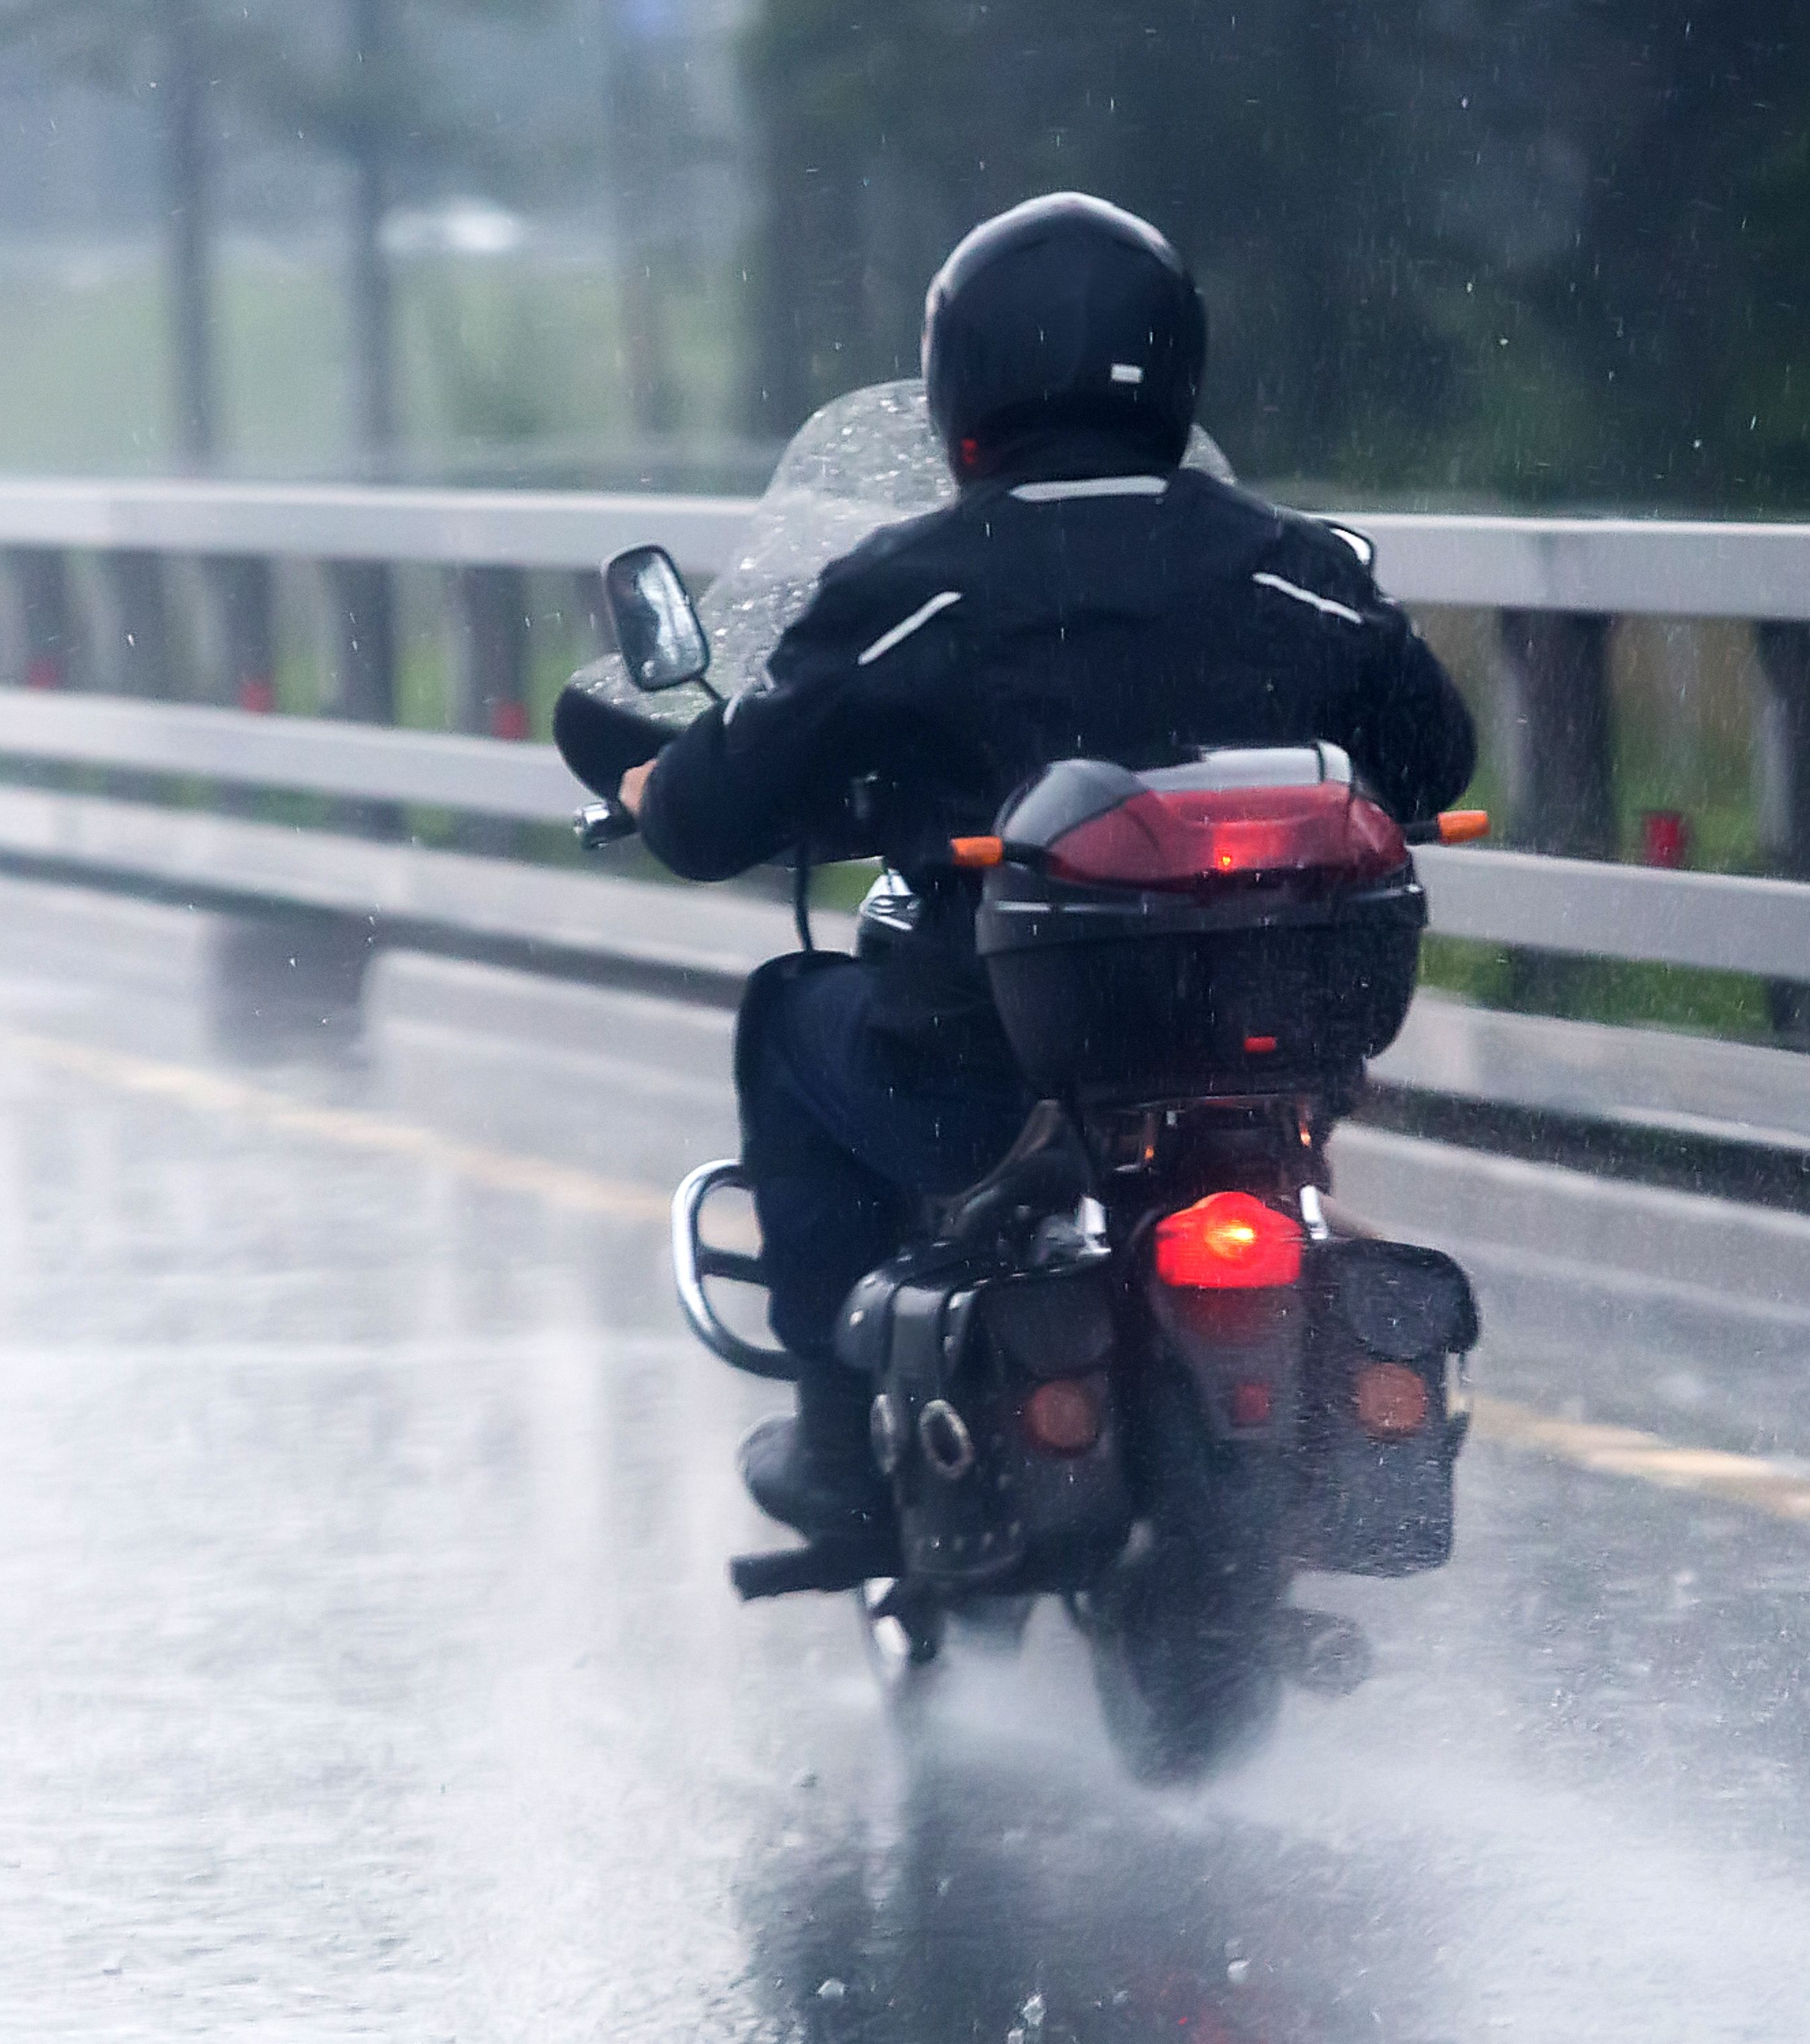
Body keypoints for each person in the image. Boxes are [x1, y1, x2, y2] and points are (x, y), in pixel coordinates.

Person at [618, 193, 1477, 1560]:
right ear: (1177, 366)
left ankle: (842, 1437)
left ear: (963, 381)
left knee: (788, 1015)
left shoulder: (911, 584)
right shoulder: (1293, 569)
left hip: (988, 1065)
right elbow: (1434, 756)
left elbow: (716, 814)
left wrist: (657, 788)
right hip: (1266, 1052)